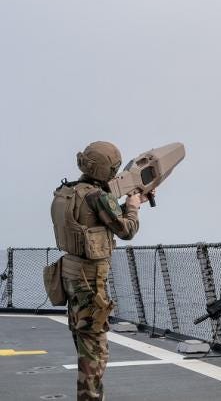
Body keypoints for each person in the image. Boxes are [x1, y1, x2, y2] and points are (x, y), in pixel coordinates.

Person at [50, 141, 151, 401]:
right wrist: (133, 206)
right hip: (89, 281)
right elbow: (126, 230)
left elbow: (88, 219)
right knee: (95, 352)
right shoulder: (98, 197)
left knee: (84, 343)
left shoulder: (68, 191)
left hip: (70, 274)